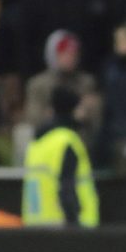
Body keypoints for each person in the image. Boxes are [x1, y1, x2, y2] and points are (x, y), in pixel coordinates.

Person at [21, 87, 99, 227]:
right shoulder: (66, 141)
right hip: (65, 227)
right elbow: (67, 188)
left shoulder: (37, 143)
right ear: (73, 110)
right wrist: (74, 223)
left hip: (35, 225)